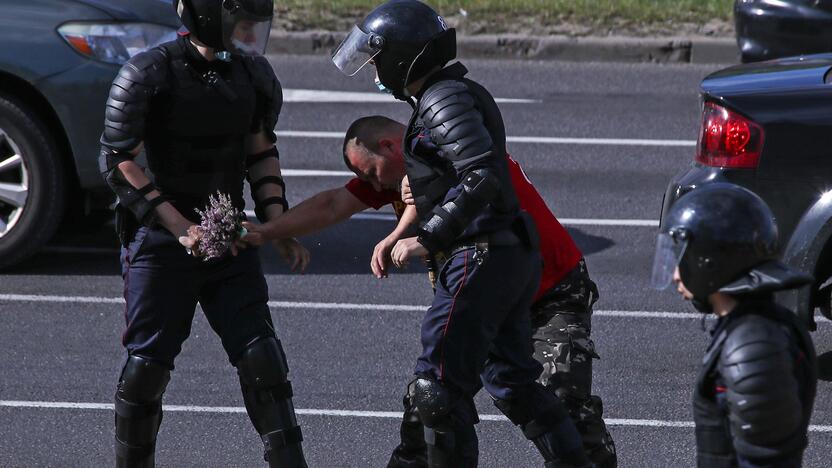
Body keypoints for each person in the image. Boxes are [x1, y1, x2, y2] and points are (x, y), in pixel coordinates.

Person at [243, 115, 617, 467]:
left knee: (565, 408)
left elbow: (470, 194)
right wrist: (267, 231)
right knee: (430, 405)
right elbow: (333, 204)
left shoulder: (457, 152)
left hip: (550, 294)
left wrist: (407, 235)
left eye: (371, 173)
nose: (374, 187)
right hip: (483, 301)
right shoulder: (400, 176)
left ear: (391, 147)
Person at [329, 2, 593, 466]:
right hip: (505, 251)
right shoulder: (444, 95)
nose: (373, 68)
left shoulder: (441, 98)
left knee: (437, 391)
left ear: (402, 54)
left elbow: (480, 176)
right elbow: (454, 177)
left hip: (480, 254)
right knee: (512, 382)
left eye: (376, 57)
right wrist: (404, 228)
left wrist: (427, 237)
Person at [98, 1, 308, 466]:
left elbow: (260, 152)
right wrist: (181, 228)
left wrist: (278, 225)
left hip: (229, 236)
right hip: (160, 242)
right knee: (146, 369)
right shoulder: (148, 73)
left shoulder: (251, 75)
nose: (250, 33)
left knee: (262, 359)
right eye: (242, 22)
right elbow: (119, 162)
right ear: (210, 15)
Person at [652, 183, 817, 467]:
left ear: (709, 262)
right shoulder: (748, 329)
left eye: (682, 258)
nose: (676, 275)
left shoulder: (754, 346)